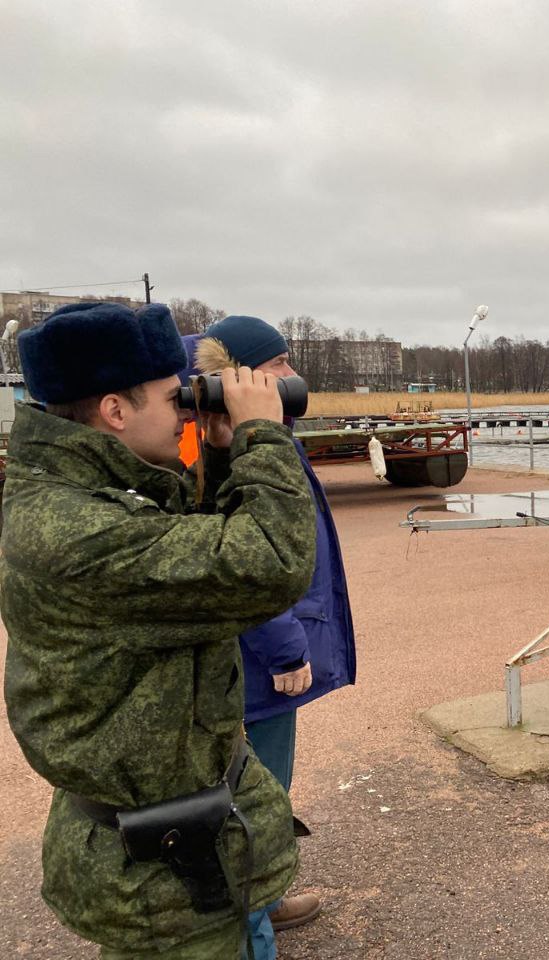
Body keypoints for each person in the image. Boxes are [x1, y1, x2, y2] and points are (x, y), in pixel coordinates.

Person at [1, 301, 317, 959]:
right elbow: (271, 565)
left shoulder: (84, 489)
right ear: (114, 412)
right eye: (175, 398)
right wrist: (264, 437)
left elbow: (194, 553)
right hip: (156, 873)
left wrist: (226, 458)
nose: (186, 411)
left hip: (171, 837)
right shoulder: (82, 533)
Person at [191, 315, 357, 938]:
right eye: (280, 364)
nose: (292, 377)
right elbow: (246, 562)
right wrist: (287, 650)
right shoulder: (244, 448)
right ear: (243, 375)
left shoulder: (253, 439)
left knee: (262, 790)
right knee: (255, 793)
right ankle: (252, 914)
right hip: (260, 665)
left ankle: (267, 894)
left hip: (262, 656)